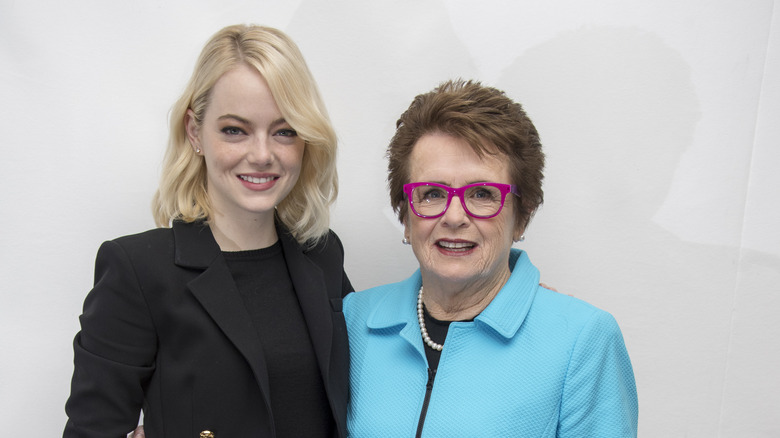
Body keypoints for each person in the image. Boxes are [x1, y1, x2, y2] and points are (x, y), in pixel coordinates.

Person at [63, 24, 352, 438]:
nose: (262, 154)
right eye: (235, 130)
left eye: (284, 131)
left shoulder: (322, 254)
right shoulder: (138, 271)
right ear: (195, 132)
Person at [343, 79, 638, 437]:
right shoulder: (353, 322)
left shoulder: (582, 339)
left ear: (523, 215)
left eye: (482, 193)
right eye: (432, 193)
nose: (453, 217)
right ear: (405, 216)